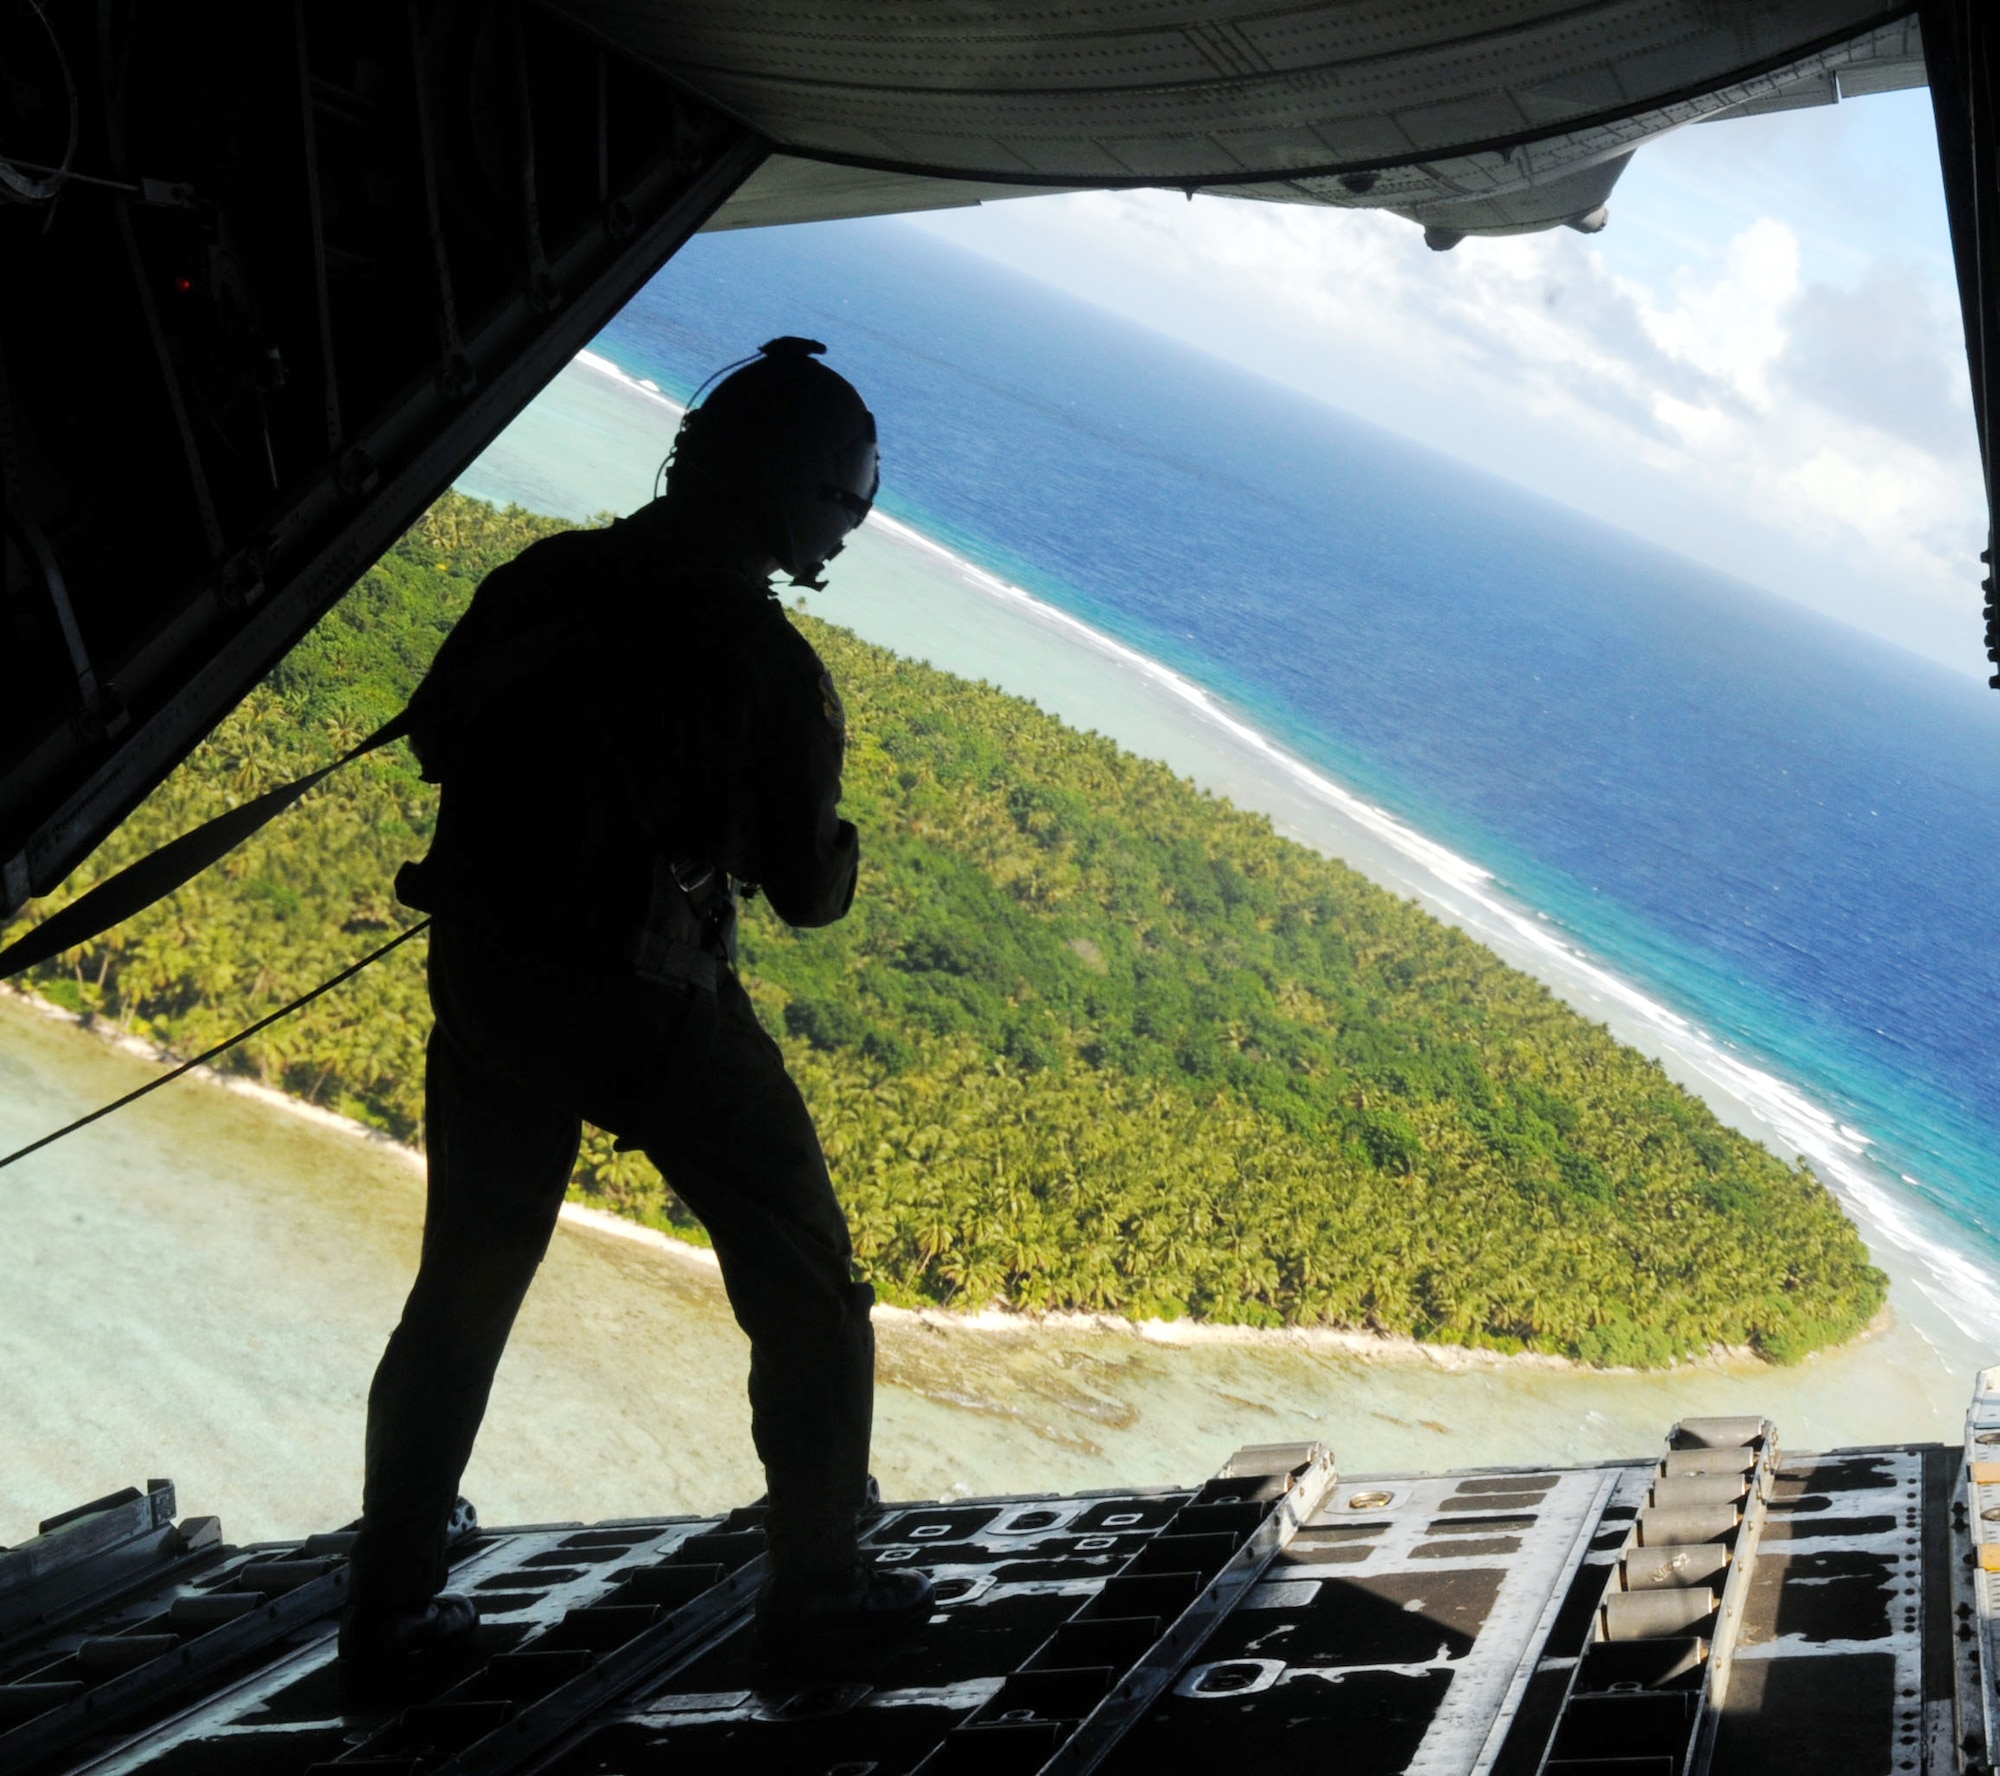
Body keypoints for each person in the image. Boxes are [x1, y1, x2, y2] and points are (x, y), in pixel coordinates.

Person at [337, 337, 934, 1675]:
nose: (850, 524)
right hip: (649, 1002)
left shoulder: (547, 580)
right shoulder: (771, 667)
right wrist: (837, 843)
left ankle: (387, 1603)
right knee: (804, 1278)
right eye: (847, 502)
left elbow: (438, 736)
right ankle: (820, 1585)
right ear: (787, 493)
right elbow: (804, 892)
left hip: (491, 982)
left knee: (464, 1289)